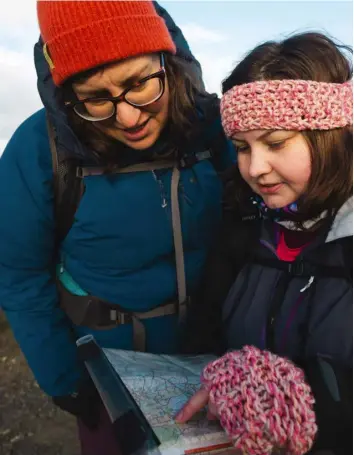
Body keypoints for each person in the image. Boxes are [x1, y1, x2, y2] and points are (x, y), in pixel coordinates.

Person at [0, 1, 234, 453]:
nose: (128, 118)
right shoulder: (36, 151)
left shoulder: (214, 128)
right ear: (66, 93)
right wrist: (66, 382)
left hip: (217, 361)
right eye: (96, 97)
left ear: (169, 61)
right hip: (106, 381)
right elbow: (19, 275)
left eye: (139, 84)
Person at [177, 32, 353, 455]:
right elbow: (205, 336)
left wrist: (283, 398)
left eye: (275, 143)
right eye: (242, 147)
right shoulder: (243, 229)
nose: (255, 168)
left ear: (331, 135)